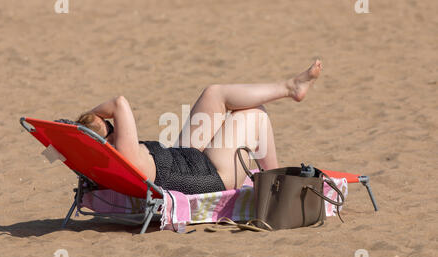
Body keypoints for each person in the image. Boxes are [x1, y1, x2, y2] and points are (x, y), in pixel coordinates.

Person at [76, 60, 322, 194]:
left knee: (213, 93)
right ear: (105, 139)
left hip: (185, 158)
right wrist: (93, 114)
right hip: (212, 175)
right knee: (256, 114)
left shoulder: (113, 156)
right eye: (109, 124)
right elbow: (120, 103)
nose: (114, 123)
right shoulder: (125, 155)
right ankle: (274, 183)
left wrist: (90, 127)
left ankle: (290, 87)